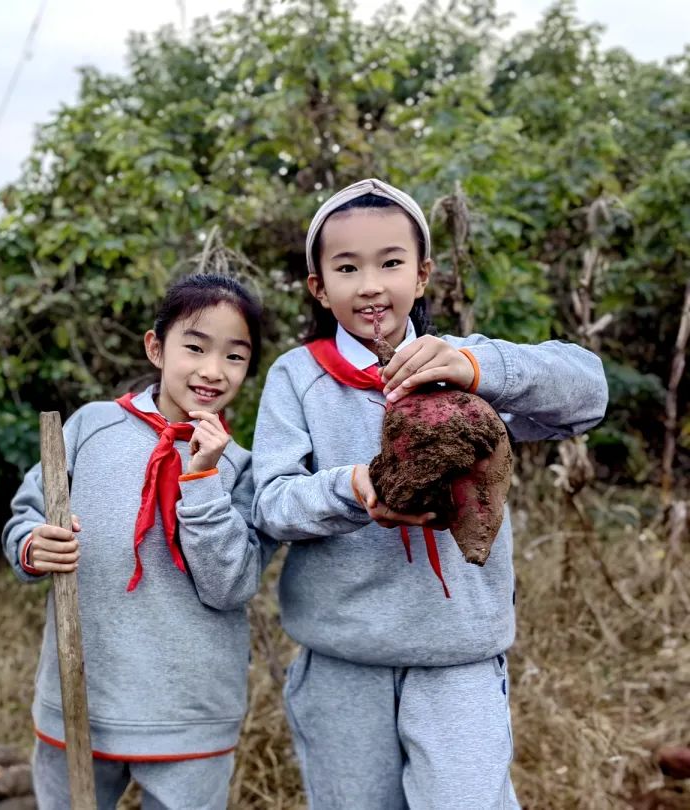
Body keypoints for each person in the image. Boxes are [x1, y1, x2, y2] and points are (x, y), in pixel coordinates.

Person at [251, 178, 608, 809]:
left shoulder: (466, 367)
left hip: (459, 659)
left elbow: (588, 394)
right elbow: (272, 504)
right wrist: (353, 488)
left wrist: (479, 370)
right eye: (347, 267)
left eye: (391, 263)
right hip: (341, 662)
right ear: (318, 287)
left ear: (422, 276)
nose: (370, 284)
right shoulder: (298, 377)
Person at [3, 273, 273, 810]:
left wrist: (201, 477)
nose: (212, 370)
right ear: (156, 347)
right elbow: (24, 517)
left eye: (234, 357)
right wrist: (33, 545)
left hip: (190, 715)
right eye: (194, 347)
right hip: (82, 700)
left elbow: (230, 586)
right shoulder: (90, 429)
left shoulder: (243, 469)